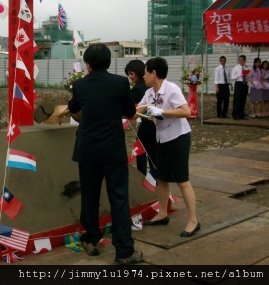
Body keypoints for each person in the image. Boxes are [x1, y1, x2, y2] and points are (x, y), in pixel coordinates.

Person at [68, 43, 142, 264]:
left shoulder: (79, 84)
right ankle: (124, 251)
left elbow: (73, 108)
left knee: (89, 196)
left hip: (88, 150)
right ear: (109, 62)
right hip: (113, 150)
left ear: (87, 64)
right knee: (119, 198)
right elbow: (129, 112)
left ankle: (91, 239)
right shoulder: (120, 83)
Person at [136, 57, 199, 238]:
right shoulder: (149, 93)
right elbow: (138, 110)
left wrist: (163, 112)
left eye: (146, 72)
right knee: (162, 177)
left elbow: (186, 111)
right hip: (161, 139)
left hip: (178, 137)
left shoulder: (172, 89)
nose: (144, 76)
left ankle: (193, 220)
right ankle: (162, 213)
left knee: (182, 180)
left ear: (153, 73)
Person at [125, 59, 157, 176]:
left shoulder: (138, 89)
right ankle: (152, 178)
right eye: (128, 74)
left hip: (148, 124)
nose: (130, 77)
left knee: (142, 151)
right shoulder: (149, 87)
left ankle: (143, 176)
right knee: (150, 152)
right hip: (153, 124)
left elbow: (129, 109)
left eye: (131, 73)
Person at [231, 55, 249, 120]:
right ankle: (235, 114)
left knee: (243, 99)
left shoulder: (246, 67)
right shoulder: (236, 67)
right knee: (237, 99)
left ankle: (241, 114)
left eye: (242, 60)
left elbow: (248, 76)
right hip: (238, 83)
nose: (241, 61)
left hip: (244, 84)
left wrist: (247, 76)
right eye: (240, 60)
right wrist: (239, 75)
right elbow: (232, 77)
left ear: (244, 60)